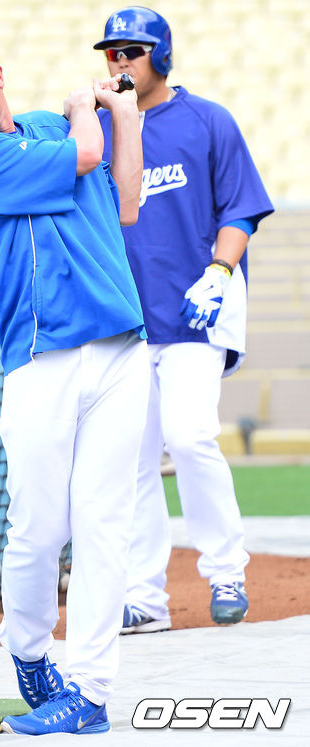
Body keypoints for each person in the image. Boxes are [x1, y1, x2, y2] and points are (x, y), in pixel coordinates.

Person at [0, 31, 149, 735]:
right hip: (41, 357)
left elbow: (127, 202)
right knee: (38, 529)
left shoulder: (51, 127)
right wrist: (86, 111)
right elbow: (84, 157)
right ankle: (26, 647)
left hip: (119, 347)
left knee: (105, 526)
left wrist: (125, 118)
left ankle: (91, 690)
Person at [93, 6, 274, 632]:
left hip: (194, 312)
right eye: (112, 52)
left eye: (132, 51)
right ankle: (145, 598)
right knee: (133, 461)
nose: (119, 61)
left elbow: (241, 209)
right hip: (126, 322)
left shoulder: (207, 120)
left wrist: (220, 271)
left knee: (191, 436)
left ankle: (226, 573)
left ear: (162, 56)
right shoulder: (98, 128)